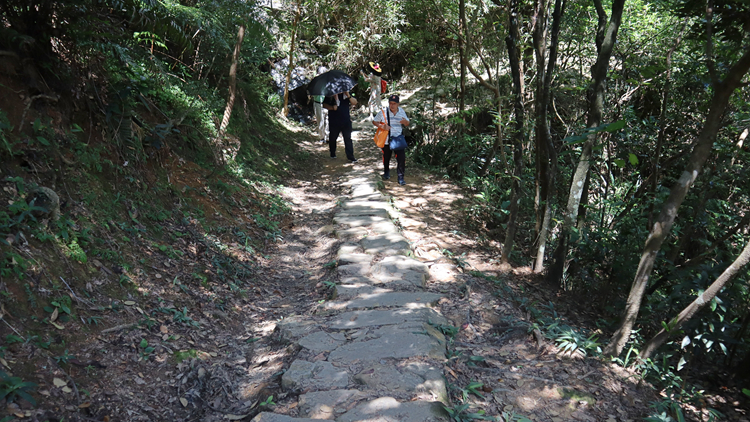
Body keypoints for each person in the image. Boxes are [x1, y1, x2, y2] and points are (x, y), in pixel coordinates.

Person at [373, 94, 410, 185]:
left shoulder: (401, 111)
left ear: (398, 104)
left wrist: (405, 122)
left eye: (394, 103)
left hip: (398, 139)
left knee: (401, 158)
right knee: (386, 157)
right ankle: (386, 172)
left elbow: (407, 123)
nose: (392, 105)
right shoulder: (383, 112)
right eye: (390, 103)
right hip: (386, 139)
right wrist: (382, 126)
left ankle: (401, 177)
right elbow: (374, 121)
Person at [323, 91, 358, 162]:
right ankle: (332, 153)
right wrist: (332, 108)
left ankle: (351, 157)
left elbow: (354, 102)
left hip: (346, 120)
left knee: (348, 138)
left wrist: (348, 95)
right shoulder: (330, 94)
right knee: (333, 138)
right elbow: (324, 105)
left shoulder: (346, 93)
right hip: (334, 121)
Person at [312, 66, 328, 143]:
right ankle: (322, 137)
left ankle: (328, 137)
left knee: (328, 120)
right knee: (320, 121)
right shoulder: (315, 81)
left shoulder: (327, 81)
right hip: (318, 102)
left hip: (326, 103)